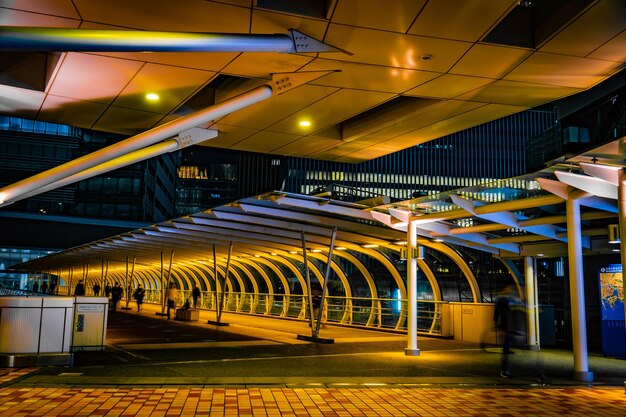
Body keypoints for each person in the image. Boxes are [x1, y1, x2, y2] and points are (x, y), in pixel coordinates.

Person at [493, 284, 524, 378]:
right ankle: (505, 370)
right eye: (509, 288)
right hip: (507, 327)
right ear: (505, 289)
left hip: (508, 327)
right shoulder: (506, 300)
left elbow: (497, 314)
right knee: (505, 350)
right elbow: (499, 314)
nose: (510, 290)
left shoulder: (506, 300)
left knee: (506, 349)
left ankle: (506, 369)